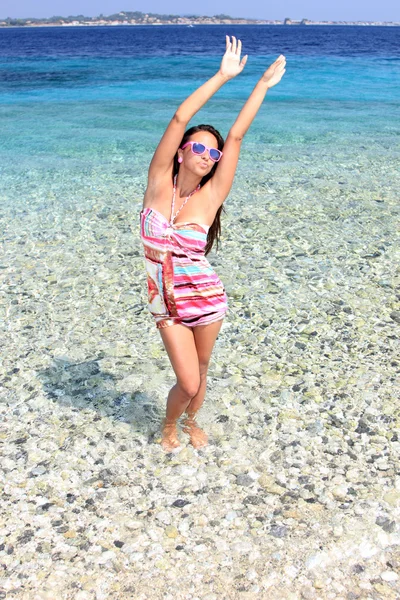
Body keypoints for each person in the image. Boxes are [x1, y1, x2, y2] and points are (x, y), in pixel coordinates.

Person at [140, 36, 286, 451]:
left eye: (213, 153)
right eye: (199, 147)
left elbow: (237, 137)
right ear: (183, 152)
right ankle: (170, 425)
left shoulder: (209, 198)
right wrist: (223, 76)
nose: (207, 154)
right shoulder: (156, 186)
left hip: (206, 298)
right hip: (165, 302)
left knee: (201, 370)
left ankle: (190, 421)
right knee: (186, 380)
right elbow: (178, 116)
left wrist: (259, 86)